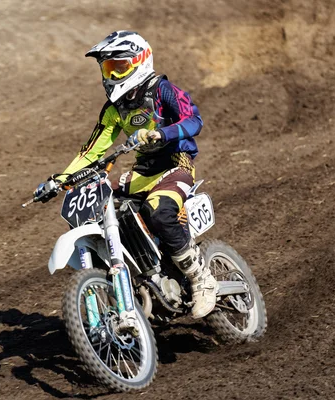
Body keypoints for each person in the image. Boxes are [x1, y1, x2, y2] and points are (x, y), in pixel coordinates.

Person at [34, 30, 218, 321]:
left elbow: (194, 119)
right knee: (104, 204)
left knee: (158, 210)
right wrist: (58, 180)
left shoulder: (161, 90)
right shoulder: (114, 110)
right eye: (108, 68)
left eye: (119, 66)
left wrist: (162, 132)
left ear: (140, 61)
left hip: (175, 164)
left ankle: (201, 278)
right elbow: (92, 150)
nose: (112, 74)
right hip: (143, 172)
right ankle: (139, 270)